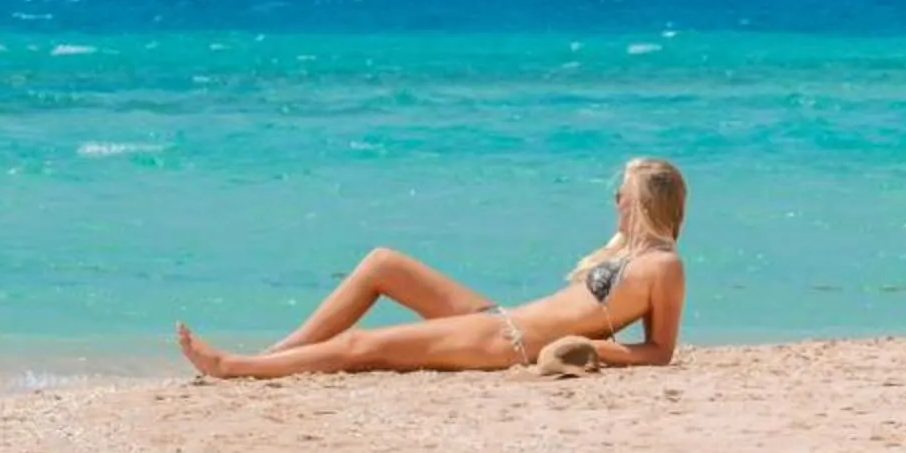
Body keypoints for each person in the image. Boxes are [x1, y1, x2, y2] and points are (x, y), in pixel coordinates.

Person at [177, 157, 688, 378]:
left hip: (507, 344)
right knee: (384, 264)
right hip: (502, 319)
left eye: (621, 193)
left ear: (640, 201)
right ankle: (279, 354)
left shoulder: (662, 267)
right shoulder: (626, 253)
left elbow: (659, 352)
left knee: (366, 348)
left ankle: (235, 367)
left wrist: (589, 351)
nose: (615, 199)